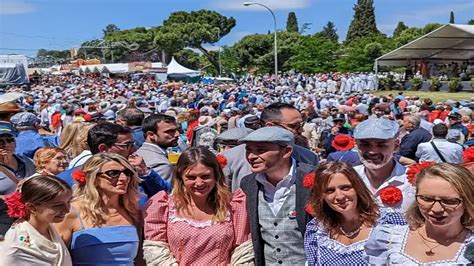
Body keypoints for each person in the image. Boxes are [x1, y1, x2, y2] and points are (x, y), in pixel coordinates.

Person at [143, 147, 252, 265]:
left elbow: (242, 251)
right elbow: (157, 252)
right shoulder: (164, 206)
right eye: (191, 177)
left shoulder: (234, 205)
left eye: (205, 176)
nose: (199, 183)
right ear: (181, 177)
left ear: (216, 175)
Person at [365, 163, 473, 264]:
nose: (437, 209)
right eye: (427, 199)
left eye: (449, 201)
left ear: (468, 201)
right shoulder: (388, 239)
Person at [239, 126, 315, 265]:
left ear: (286, 151)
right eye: (248, 150)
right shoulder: (249, 184)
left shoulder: (313, 179)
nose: (251, 157)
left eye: (260, 150)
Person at [304, 162, 406, 265]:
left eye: (345, 188)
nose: (339, 196)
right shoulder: (317, 229)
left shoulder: (389, 222)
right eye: (330, 190)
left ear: (358, 188)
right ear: (322, 196)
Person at [54, 153, 142, 265]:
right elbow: (57, 258)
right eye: (113, 173)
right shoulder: (70, 212)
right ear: (93, 178)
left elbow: (139, 259)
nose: (124, 178)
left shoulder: (133, 211)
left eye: (127, 173)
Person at [58, 122, 170, 200]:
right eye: (127, 145)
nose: (134, 150)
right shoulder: (67, 180)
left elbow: (166, 195)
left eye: (133, 144)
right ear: (103, 149)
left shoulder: (137, 173)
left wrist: (146, 173)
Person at [223, 103, 319, 191]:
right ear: (270, 126)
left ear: (287, 152)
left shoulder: (309, 158)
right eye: (295, 126)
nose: (301, 130)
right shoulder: (230, 159)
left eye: (301, 125)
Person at [0, 175, 73, 265]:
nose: (67, 210)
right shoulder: (14, 248)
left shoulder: (50, 231)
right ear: (32, 207)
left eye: (69, 202)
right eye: (57, 205)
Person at [353, 118, 415, 212]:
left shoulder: (413, 182)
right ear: (356, 145)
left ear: (396, 146)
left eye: (381, 145)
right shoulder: (348, 177)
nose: (372, 151)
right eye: (365, 145)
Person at [136, 114, 181, 182]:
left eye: (177, 130)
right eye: (169, 131)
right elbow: (162, 191)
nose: (177, 134)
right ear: (151, 135)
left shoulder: (140, 152)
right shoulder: (160, 164)